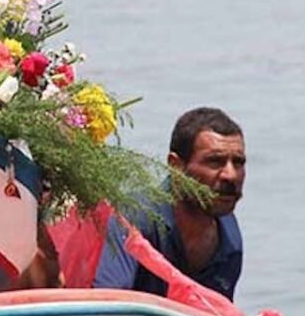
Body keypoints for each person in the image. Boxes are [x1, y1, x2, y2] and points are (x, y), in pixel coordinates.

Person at [94, 107, 246, 300]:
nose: (231, 175)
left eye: (239, 162)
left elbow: (220, 315)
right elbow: (109, 304)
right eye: (214, 161)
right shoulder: (136, 217)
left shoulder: (229, 237)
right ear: (176, 166)